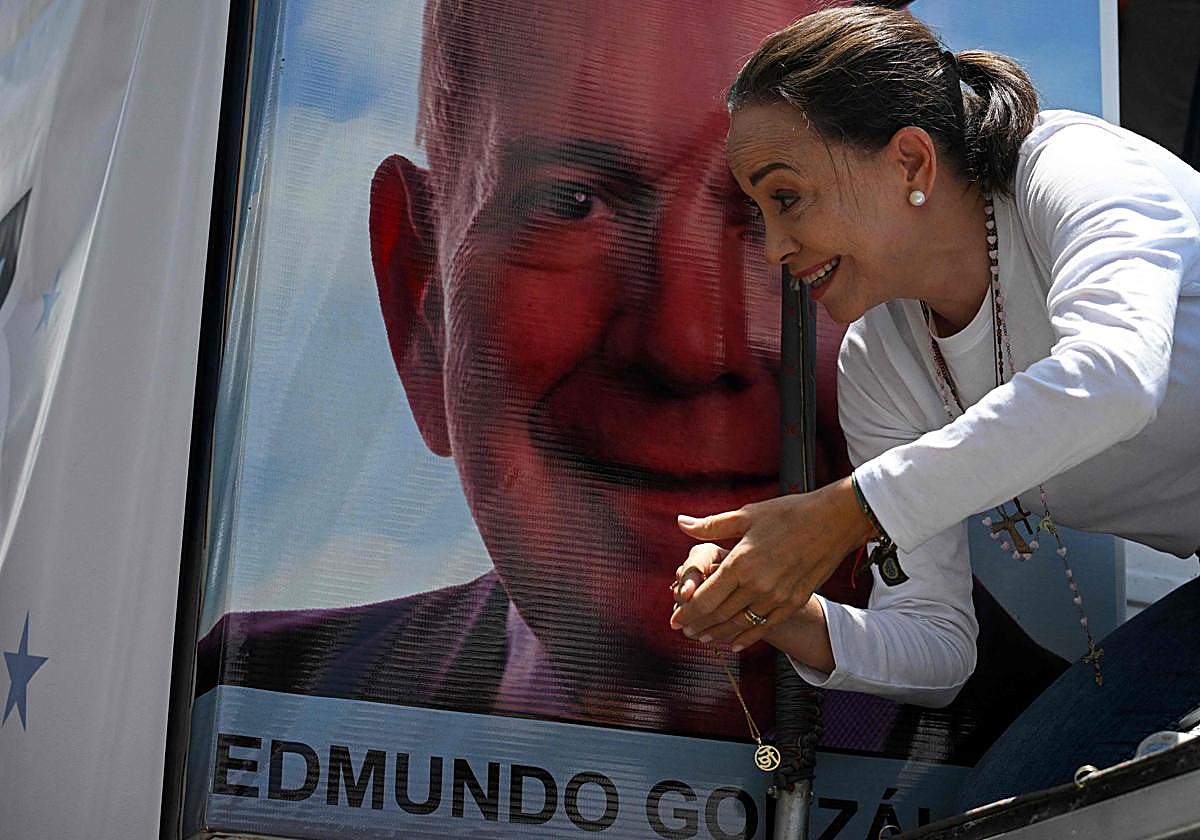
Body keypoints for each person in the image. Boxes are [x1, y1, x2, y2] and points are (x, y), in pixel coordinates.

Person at [197, 0, 1062, 765]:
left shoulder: (1085, 762)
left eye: (787, 206)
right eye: (571, 204)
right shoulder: (218, 713)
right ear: (422, 305)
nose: (689, 342)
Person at [670, 3, 1200, 807]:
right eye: (761, 212)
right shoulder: (879, 360)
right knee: (1018, 804)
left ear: (911, 163)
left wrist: (850, 511)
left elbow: (1115, 374)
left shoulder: (1072, 167)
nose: (776, 247)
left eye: (788, 197)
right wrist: (776, 605)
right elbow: (937, 645)